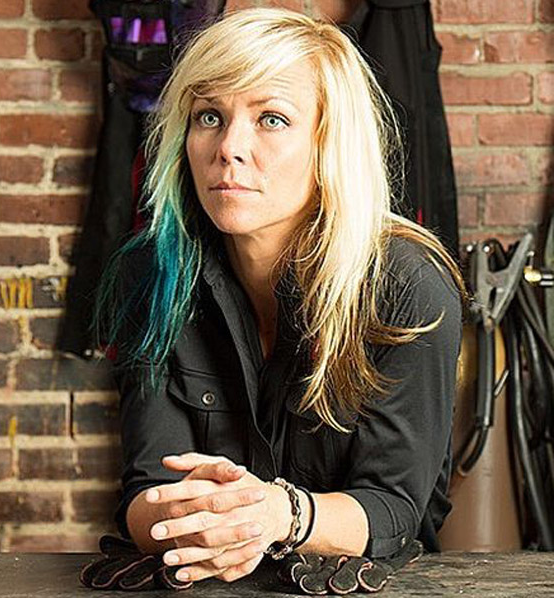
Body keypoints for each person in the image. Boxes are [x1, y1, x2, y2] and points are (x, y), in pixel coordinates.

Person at [96, 7, 465, 586]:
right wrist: (196, 524)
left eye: (271, 119)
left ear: (328, 143)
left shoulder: (407, 284)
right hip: (202, 581)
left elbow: (396, 509)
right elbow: (147, 490)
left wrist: (276, 514)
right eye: (209, 116)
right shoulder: (150, 272)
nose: (229, 147)